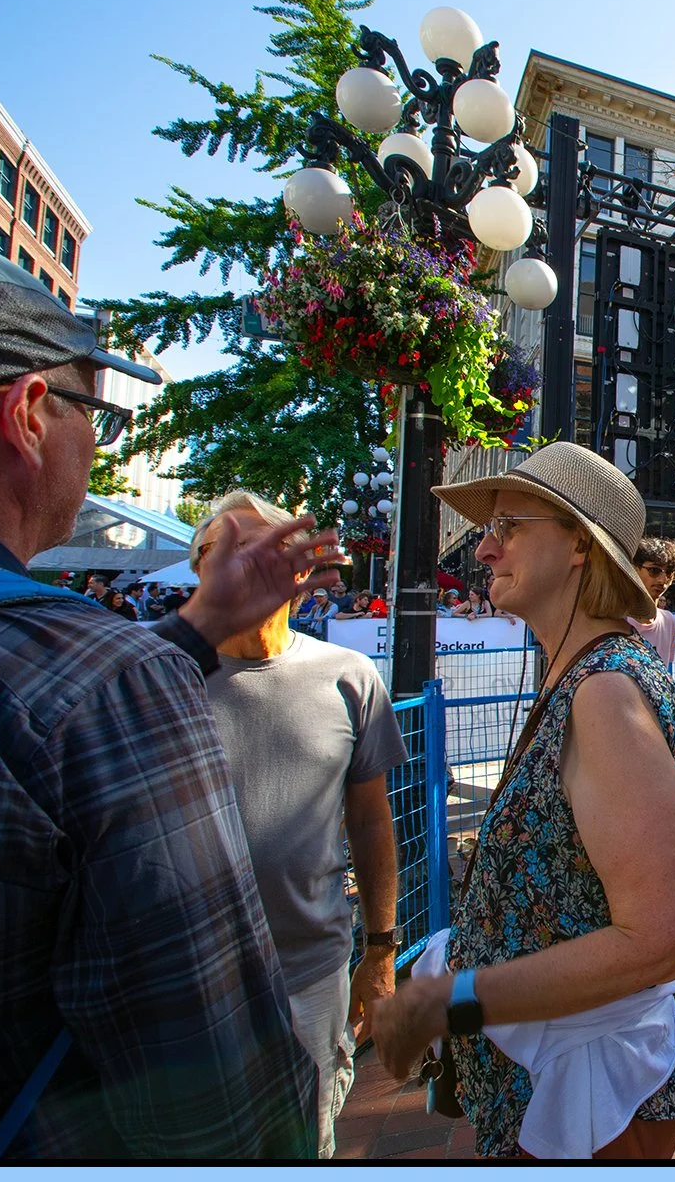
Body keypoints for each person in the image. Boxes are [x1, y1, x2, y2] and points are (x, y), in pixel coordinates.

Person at [0, 233, 338, 1158]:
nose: (96, 442)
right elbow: (222, 1094)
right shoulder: (109, 681)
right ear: (29, 413)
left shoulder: (99, 672)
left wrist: (195, 627)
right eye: (97, 414)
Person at [372, 442, 675, 1160]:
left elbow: (660, 937)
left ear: (580, 544)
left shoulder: (604, 690)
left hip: (596, 1102)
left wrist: (452, 1000)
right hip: (565, 1086)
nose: (484, 549)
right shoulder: (580, 673)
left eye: (508, 526)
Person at [191, 490, 408, 1159]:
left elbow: (371, 822)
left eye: (266, 550)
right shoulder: (153, 673)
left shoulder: (349, 676)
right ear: (199, 568)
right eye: (225, 550)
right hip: (181, 987)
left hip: (310, 977)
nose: (247, 566)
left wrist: (381, 950)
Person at [630, 537, 675, 667]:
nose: (662, 580)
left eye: (669, 573)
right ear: (635, 569)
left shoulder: (669, 621)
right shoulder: (614, 620)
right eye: (654, 571)